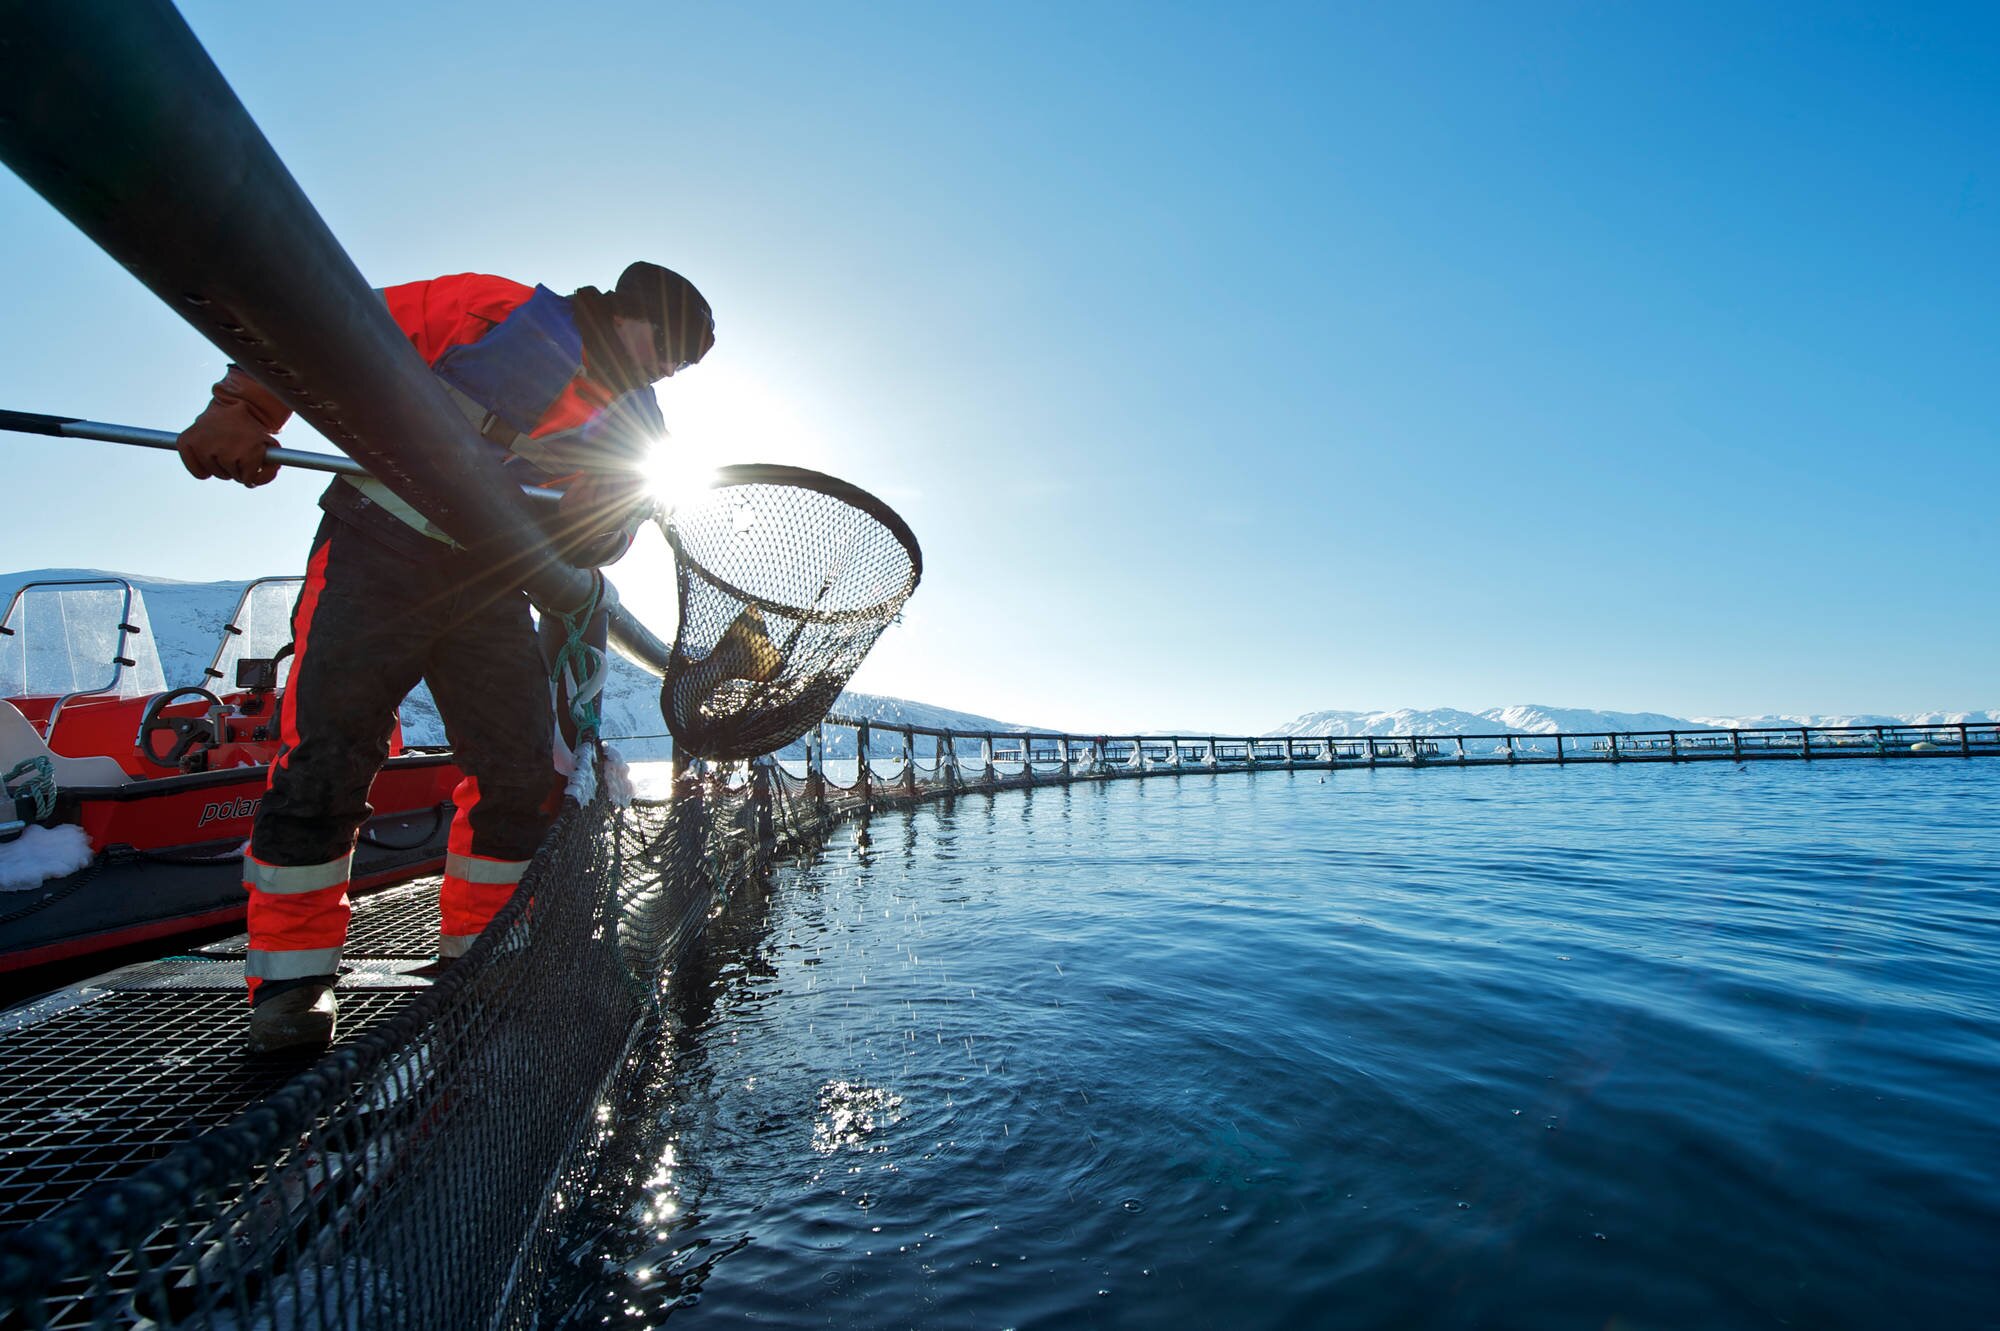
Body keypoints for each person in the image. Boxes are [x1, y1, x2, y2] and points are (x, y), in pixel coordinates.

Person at [177, 262, 715, 1053]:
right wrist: (243, 408)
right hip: (375, 546)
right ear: (634, 313)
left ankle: (483, 961)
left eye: (681, 366)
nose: (668, 370)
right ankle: (291, 992)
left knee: (518, 777)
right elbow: (325, 326)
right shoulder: (489, 306)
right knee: (326, 757)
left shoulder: (641, 428)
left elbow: (610, 538)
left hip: (490, 581)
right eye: (670, 348)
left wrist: (596, 525)